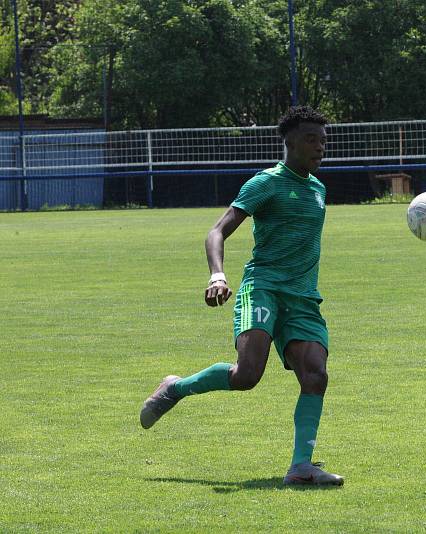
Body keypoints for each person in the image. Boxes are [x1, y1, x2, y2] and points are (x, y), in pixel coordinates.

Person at [139, 105, 343, 486]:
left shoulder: (318, 188)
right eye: (311, 140)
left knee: (315, 375)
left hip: (303, 298)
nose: (320, 148)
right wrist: (217, 274)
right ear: (290, 143)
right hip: (262, 288)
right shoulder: (264, 183)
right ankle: (175, 387)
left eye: (323, 141)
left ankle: (301, 467)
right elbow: (217, 231)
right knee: (247, 375)